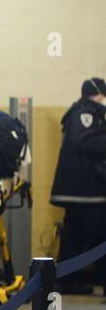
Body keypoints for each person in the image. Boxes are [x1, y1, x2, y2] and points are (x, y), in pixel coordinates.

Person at [50, 77, 106, 294]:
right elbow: (85, 141)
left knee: (74, 236)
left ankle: (66, 280)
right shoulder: (86, 113)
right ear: (98, 94)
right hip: (86, 189)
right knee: (99, 237)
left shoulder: (84, 111)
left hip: (77, 190)